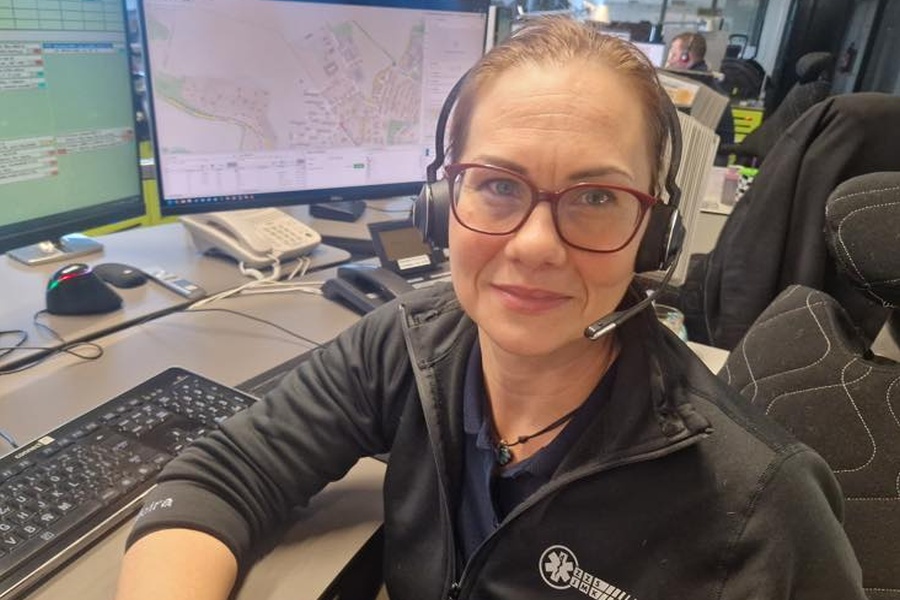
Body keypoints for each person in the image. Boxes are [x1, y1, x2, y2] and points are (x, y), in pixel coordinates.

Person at [115, 17, 866, 600]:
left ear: (653, 233)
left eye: (596, 197)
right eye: (498, 185)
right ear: (441, 204)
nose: (536, 245)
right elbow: (224, 474)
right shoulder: (408, 347)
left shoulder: (760, 507)